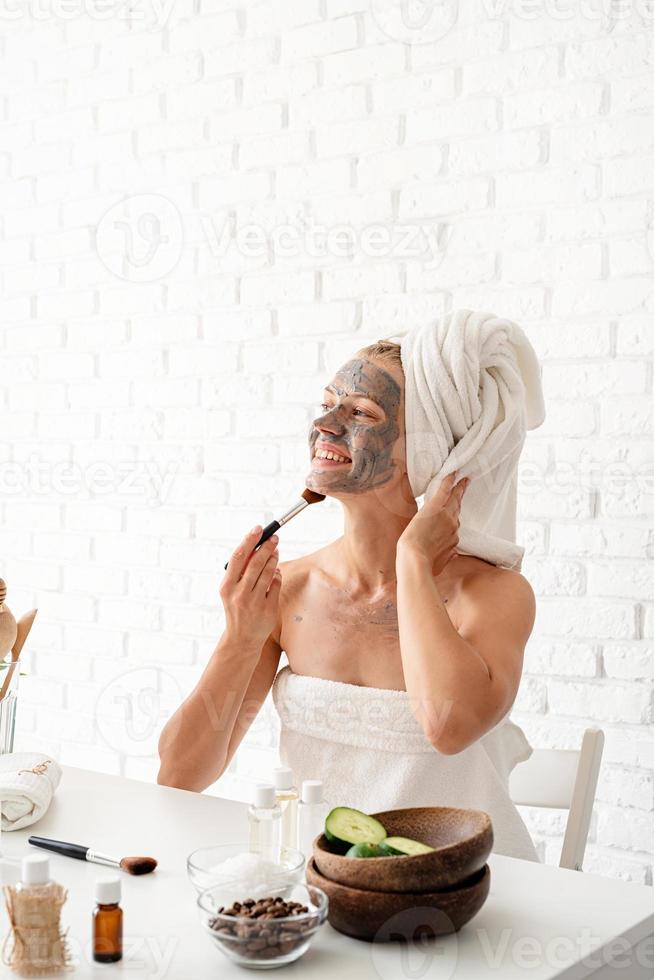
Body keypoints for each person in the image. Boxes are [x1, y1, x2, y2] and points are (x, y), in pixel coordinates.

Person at [158, 336, 541, 862]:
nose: (325, 424)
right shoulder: (289, 591)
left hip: (466, 889)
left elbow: (448, 728)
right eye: (326, 404)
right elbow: (179, 775)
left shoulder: (493, 595)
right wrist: (240, 637)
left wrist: (413, 564)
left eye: (361, 411)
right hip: (328, 889)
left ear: (430, 452)